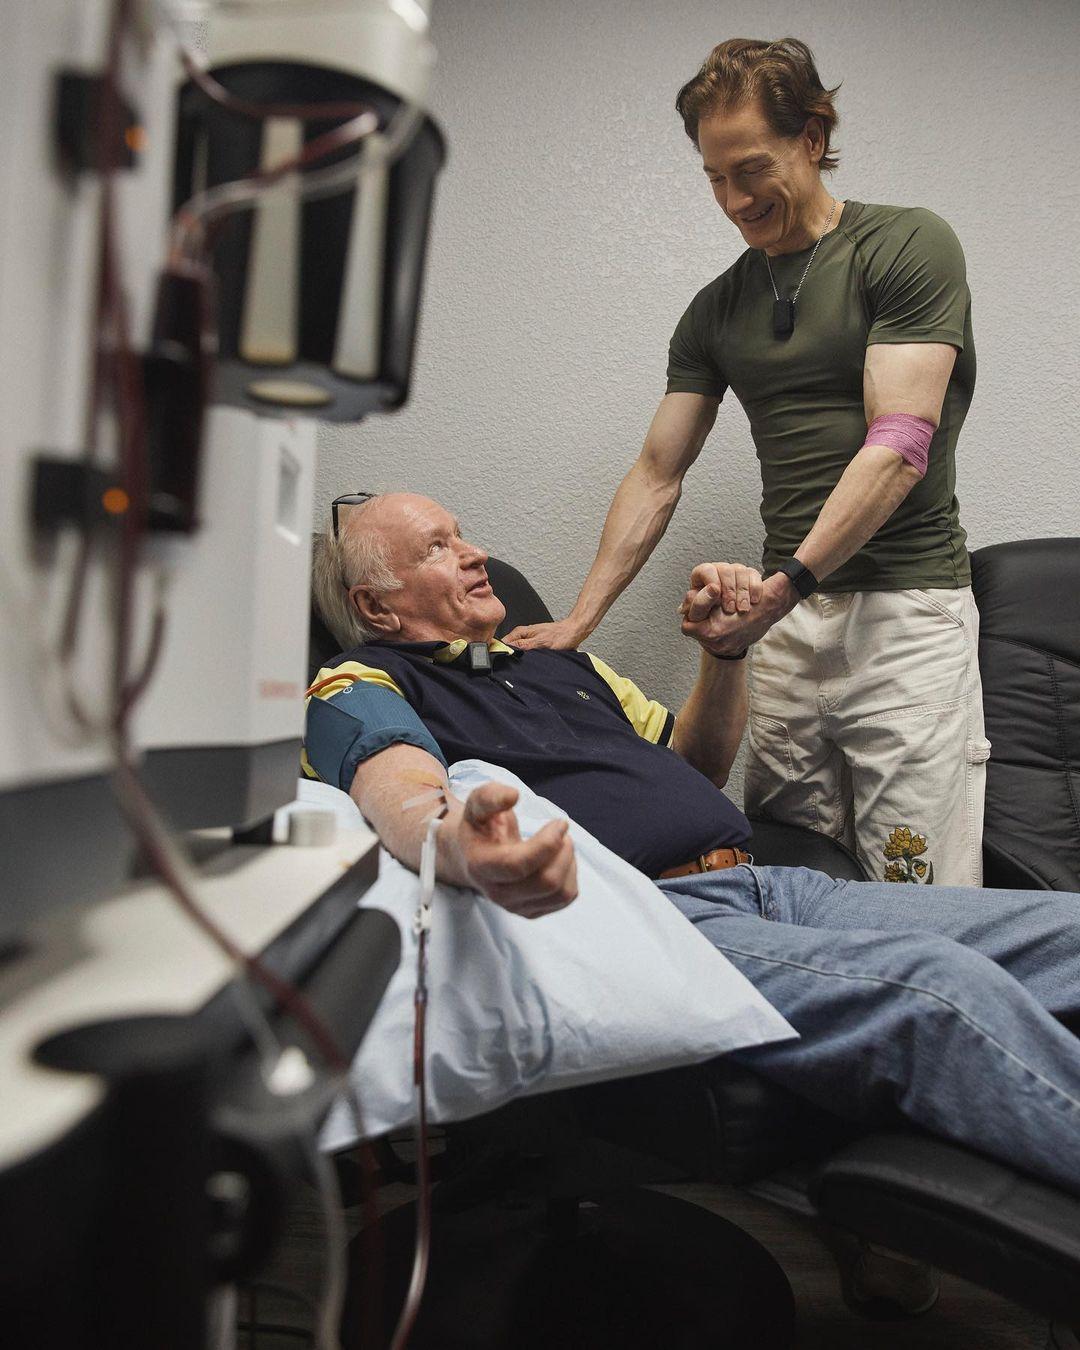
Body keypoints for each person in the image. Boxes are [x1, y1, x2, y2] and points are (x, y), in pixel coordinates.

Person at [304, 492, 1080, 1227]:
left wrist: (727, 653)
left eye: (462, 535)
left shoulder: (563, 664)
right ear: (377, 606)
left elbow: (698, 764)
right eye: (438, 548)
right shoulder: (360, 683)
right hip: (654, 920)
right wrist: (464, 847)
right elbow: (401, 791)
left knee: (1068, 933)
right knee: (933, 988)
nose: (476, 554)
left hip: (773, 885)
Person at [503, 38, 987, 888]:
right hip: (786, 630)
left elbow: (900, 444)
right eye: (715, 177)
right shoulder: (716, 309)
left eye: (752, 169)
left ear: (813, 137)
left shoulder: (906, 245)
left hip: (902, 617)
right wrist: (581, 620)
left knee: (918, 889)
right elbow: (657, 473)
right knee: (793, 878)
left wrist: (786, 584)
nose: (734, 199)